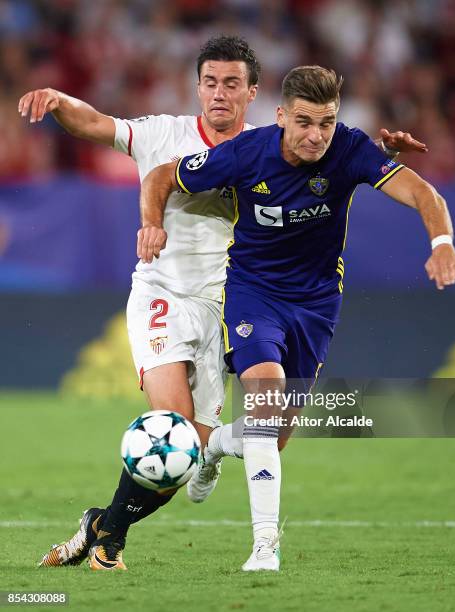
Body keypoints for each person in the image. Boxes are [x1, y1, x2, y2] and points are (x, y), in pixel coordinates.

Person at [19, 35, 427, 571]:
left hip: (227, 302)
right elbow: (95, 122)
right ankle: (116, 538)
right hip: (163, 293)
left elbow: (333, 167)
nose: (219, 93)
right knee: (173, 428)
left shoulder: (271, 145)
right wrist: (58, 100)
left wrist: (381, 156)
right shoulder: (160, 133)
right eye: (210, 82)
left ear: (252, 92)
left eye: (232, 83)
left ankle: (104, 525)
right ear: (198, 87)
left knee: (215, 450)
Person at [138, 65, 455, 572]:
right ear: (283, 115)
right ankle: (266, 545)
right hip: (253, 295)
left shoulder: (351, 150)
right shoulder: (246, 152)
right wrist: (152, 224)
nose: (316, 135)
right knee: (266, 397)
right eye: (306, 122)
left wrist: (441, 243)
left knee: (273, 435)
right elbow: (162, 176)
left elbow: (426, 194)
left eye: (326, 123)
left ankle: (216, 446)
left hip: (315, 306)